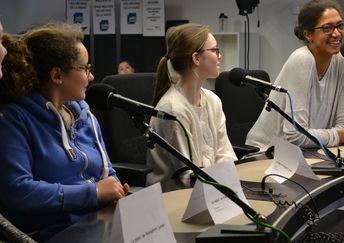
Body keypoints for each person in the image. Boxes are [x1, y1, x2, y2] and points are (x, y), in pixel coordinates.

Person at [0, 23, 129, 241]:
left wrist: (116, 190)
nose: (91, 77)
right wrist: (94, 193)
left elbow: (107, 175)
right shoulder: (13, 119)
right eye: (85, 68)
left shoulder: (86, 117)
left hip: (98, 224)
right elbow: (19, 192)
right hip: (52, 234)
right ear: (57, 75)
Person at [246, 0, 344, 151]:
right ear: (308, 35)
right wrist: (341, 136)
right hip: (269, 152)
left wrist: (341, 134)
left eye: (340, 25)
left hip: (313, 150)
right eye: (327, 28)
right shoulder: (302, 60)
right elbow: (295, 135)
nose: (336, 33)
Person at [146, 23, 237, 191]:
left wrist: (232, 183)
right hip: (175, 199)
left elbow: (225, 154)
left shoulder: (213, 100)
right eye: (215, 50)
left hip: (209, 191)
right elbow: (188, 176)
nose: (220, 56)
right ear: (196, 58)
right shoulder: (173, 109)